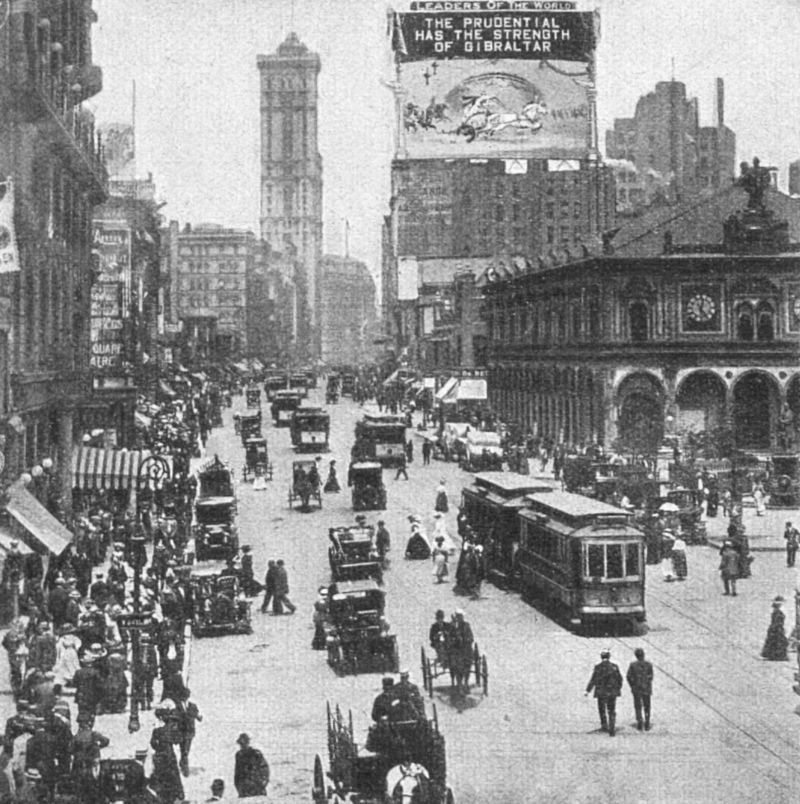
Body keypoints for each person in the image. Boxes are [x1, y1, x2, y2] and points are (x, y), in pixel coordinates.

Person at [585, 649, 623, 736]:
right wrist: (617, 688)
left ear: (601, 657)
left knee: (602, 709)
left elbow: (593, 679)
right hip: (612, 692)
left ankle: (604, 725)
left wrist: (587, 690)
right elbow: (620, 679)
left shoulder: (598, 667)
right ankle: (612, 728)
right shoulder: (615, 666)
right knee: (612, 710)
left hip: (601, 692)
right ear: (609, 657)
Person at [626, 648, 654, 731]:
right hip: (646, 688)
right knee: (647, 706)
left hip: (637, 688)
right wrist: (647, 683)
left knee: (638, 706)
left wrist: (632, 685)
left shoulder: (633, 665)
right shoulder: (648, 664)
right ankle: (647, 722)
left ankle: (639, 722)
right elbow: (651, 676)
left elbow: (628, 676)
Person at [234, 733, 270, 798]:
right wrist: (238, 787)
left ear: (248, 742)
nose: (242, 745)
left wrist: (262, 785)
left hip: (257, 789)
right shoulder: (239, 755)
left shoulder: (256, 753)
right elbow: (237, 772)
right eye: (241, 744)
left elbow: (265, 769)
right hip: (244, 790)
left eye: (244, 743)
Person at [761, 596, 789, 661]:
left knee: (775, 641)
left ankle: (774, 655)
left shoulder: (776, 612)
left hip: (775, 628)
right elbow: (778, 621)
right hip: (777, 628)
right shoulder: (778, 612)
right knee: (778, 641)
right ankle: (777, 655)